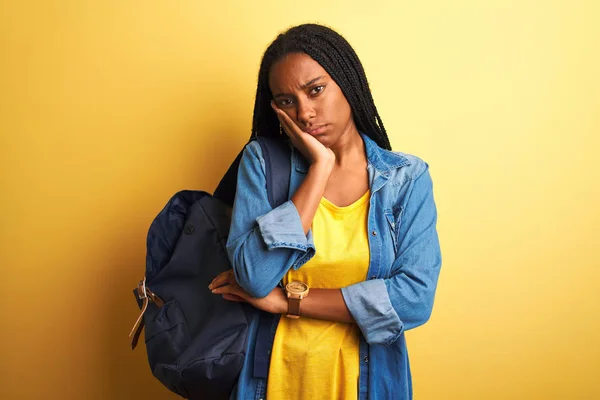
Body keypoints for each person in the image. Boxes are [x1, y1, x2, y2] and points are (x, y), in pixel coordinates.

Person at [208, 23, 442, 400]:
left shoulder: (405, 179)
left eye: (315, 90)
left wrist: (288, 302)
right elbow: (254, 278)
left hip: (366, 384)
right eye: (286, 101)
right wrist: (318, 170)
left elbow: (414, 299)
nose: (304, 113)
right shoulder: (263, 164)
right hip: (272, 382)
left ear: (348, 83)